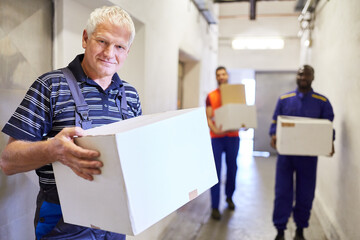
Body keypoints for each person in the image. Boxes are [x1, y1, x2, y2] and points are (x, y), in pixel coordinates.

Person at [0, 6, 141, 240]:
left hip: (115, 217)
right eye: (102, 41)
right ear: (85, 38)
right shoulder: (50, 86)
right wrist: (52, 150)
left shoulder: (131, 95)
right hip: (63, 219)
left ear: (128, 51)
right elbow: (7, 161)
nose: (109, 53)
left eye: (119, 46)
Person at [269, 65, 335, 240]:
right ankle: (280, 229)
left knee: (305, 193)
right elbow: (275, 122)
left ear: (313, 77)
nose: (303, 77)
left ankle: (300, 229)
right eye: (300, 74)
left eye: (307, 74)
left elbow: (328, 127)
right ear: (296, 77)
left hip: (308, 157)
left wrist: (330, 142)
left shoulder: (322, 102)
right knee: (282, 192)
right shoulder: (284, 99)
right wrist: (273, 135)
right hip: (286, 155)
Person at [205, 66, 240, 220]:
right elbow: (208, 117)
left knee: (232, 168)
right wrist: (215, 129)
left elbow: (242, 112)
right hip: (217, 138)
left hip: (233, 136)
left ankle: (229, 197)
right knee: (216, 171)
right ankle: (214, 206)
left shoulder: (236, 94)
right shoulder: (211, 96)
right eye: (218, 74)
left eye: (224, 74)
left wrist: (243, 123)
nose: (221, 76)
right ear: (216, 77)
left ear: (227, 76)